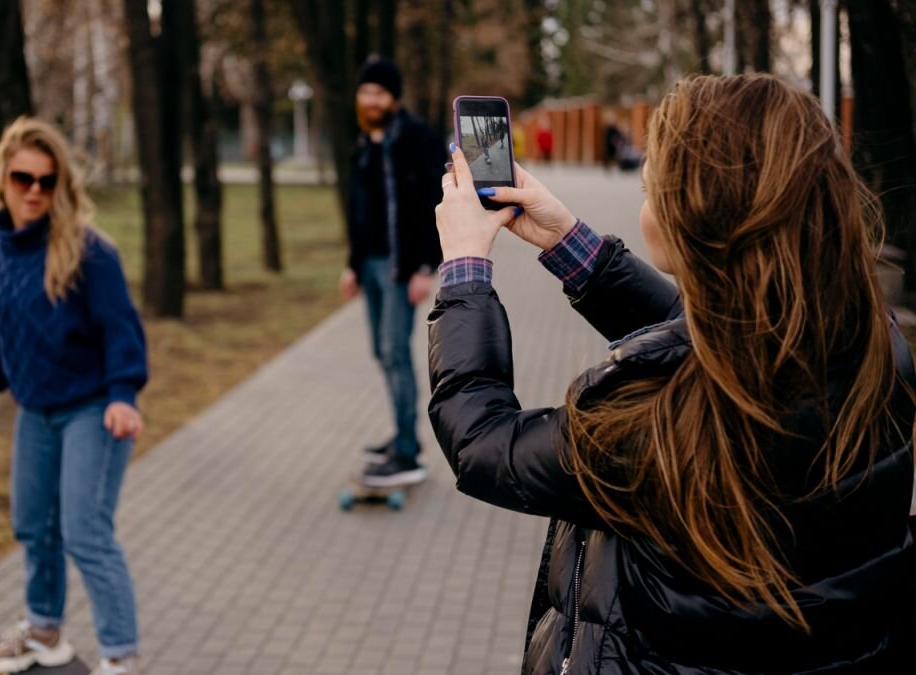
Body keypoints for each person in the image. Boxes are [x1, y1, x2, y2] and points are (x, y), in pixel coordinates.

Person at [430, 74, 914, 672]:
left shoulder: (655, 420)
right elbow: (717, 345)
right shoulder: (868, 344)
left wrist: (465, 270)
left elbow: (483, 444)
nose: (645, 204)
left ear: (695, 213)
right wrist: (566, 241)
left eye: (651, 184)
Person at [0, 117, 148, 675]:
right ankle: (43, 630)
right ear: (1, 180)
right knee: (34, 524)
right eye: (22, 178)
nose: (34, 191)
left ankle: (122, 657)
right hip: (36, 410)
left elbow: (120, 329)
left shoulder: (88, 251)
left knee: (85, 530)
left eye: (47, 181)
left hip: (93, 408)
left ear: (62, 187)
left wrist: (123, 394)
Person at [340, 55, 445, 487]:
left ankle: (408, 453)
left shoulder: (417, 138)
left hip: (403, 267)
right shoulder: (365, 144)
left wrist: (426, 266)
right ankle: (400, 437)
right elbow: (360, 212)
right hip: (370, 266)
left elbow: (438, 202)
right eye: (366, 92)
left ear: (393, 97)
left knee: (395, 353)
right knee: (382, 353)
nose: (371, 99)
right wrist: (351, 264)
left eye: (379, 92)